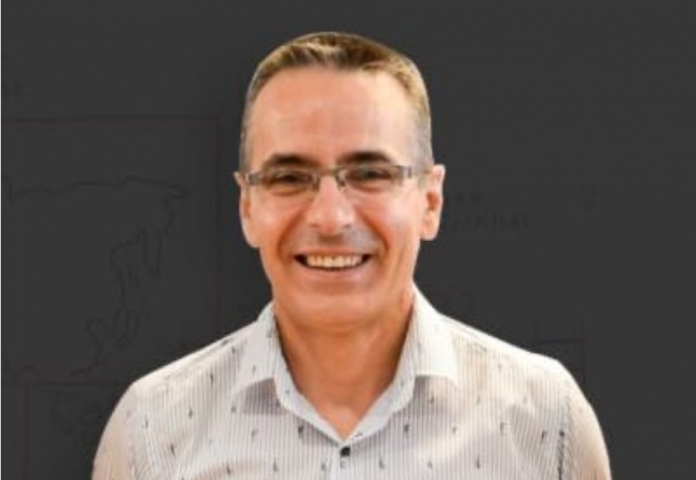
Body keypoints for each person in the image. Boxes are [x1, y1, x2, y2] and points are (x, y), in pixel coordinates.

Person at [93, 32, 611, 479]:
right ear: (248, 207)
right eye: (289, 177)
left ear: (430, 202)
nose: (331, 218)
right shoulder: (151, 431)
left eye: (370, 174)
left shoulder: (546, 421)